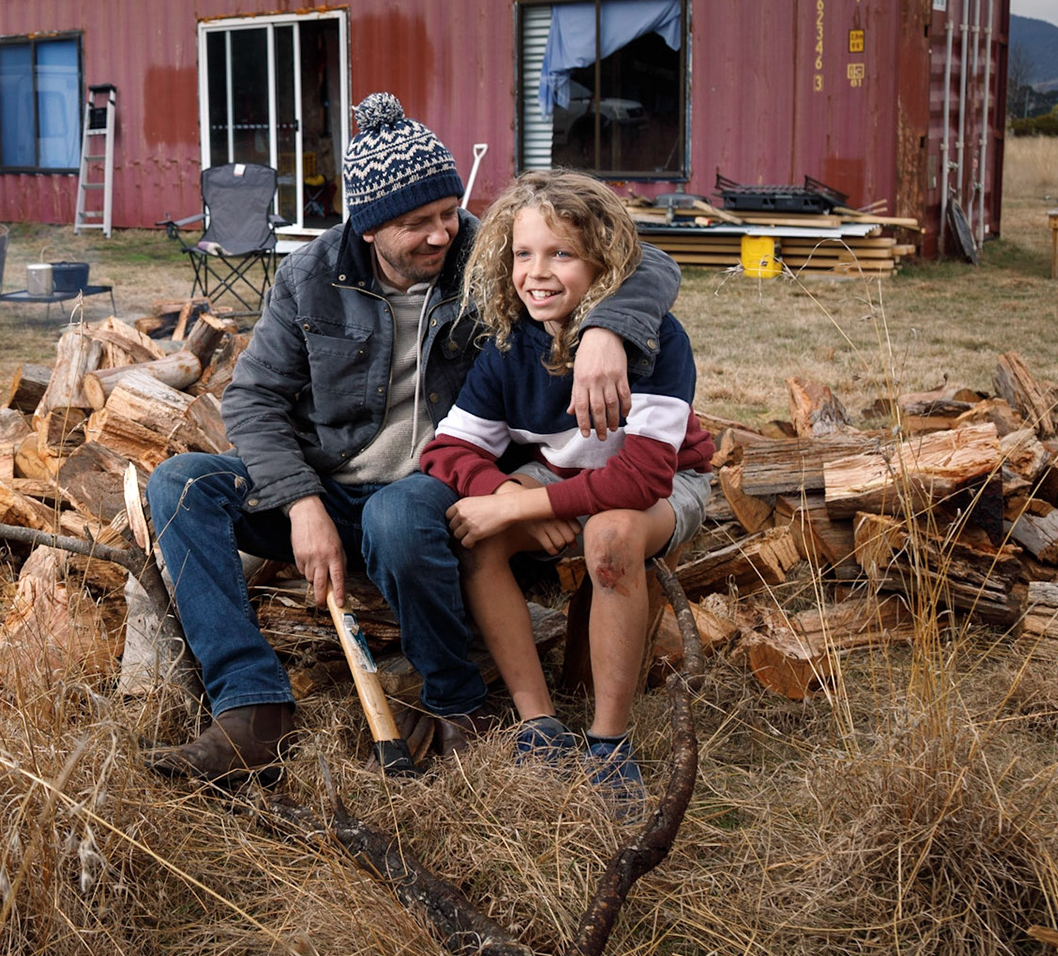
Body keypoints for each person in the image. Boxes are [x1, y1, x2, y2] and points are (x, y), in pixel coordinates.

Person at [145, 93, 684, 781]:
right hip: (328, 485)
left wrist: (608, 329)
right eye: (415, 223)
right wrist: (301, 503)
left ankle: (458, 702)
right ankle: (252, 707)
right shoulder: (310, 277)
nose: (441, 233)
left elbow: (647, 260)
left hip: (433, 486)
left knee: (396, 513)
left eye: (446, 212)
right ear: (367, 228)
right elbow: (252, 399)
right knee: (181, 483)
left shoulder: (484, 255)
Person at [419, 170, 714, 799]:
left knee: (609, 534)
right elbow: (448, 448)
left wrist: (535, 502)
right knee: (478, 534)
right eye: (523, 254)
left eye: (561, 254)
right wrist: (504, 497)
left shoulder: (656, 341)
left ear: (603, 263)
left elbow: (640, 477)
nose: (537, 272)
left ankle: (608, 744)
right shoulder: (508, 343)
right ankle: (539, 723)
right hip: (562, 470)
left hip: (663, 484)